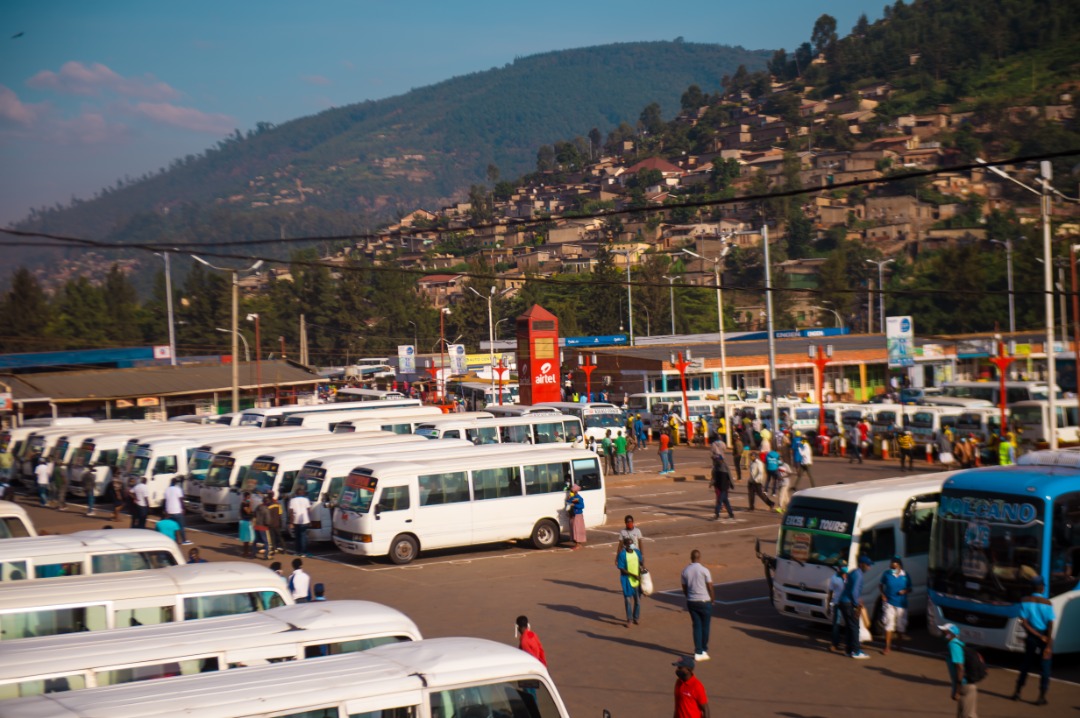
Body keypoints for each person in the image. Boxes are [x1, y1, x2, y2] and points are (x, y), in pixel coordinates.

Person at [1012, 575, 1054, 706]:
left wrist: (1035, 634)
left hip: (1031, 636)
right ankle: (1041, 696)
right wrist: (1047, 643)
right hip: (1044, 635)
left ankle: (1017, 692)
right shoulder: (1047, 603)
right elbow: (1050, 624)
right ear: (1041, 587)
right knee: (1045, 667)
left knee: (1026, 664)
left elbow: (1024, 623)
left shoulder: (1024, 600)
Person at [680, 549, 714, 662]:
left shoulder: (685, 571)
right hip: (705, 601)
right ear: (699, 558)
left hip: (692, 602)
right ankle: (704, 649)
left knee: (697, 626)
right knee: (706, 626)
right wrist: (712, 599)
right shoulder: (705, 570)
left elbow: (684, 588)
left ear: (691, 558)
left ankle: (698, 650)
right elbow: (710, 587)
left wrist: (688, 597)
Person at [939, 622, 977, 718]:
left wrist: (957, 691)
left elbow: (960, 668)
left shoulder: (953, 645)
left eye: (944, 631)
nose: (942, 633)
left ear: (950, 634)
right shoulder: (957, 644)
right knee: (961, 715)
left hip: (965, 686)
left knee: (968, 715)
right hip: (966, 685)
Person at [838, 554, 872, 659]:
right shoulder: (859, 575)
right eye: (868, 565)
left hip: (843, 601)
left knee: (849, 627)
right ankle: (856, 651)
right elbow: (854, 591)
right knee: (854, 627)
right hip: (849, 603)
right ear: (862, 564)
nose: (869, 567)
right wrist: (857, 604)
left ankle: (848, 650)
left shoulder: (853, 572)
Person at [880, 556, 912, 654]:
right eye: (891, 562)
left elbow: (910, 588)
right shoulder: (887, 573)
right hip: (889, 603)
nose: (891, 564)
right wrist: (883, 594)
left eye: (893, 563)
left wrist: (904, 591)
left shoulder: (905, 575)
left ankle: (899, 645)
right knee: (889, 624)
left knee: (900, 625)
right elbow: (881, 585)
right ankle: (887, 647)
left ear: (898, 564)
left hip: (901, 604)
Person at [617, 537, 643, 626]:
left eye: (632, 543)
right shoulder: (622, 555)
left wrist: (642, 570)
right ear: (625, 545)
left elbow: (641, 563)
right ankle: (629, 619)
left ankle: (636, 617)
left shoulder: (637, 552)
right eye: (629, 544)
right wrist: (633, 575)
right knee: (628, 601)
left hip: (637, 580)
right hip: (627, 580)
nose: (631, 545)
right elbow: (621, 568)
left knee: (638, 601)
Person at [710, 439, 735, 521]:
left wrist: (732, 484)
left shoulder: (724, 467)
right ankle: (731, 514)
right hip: (719, 486)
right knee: (726, 501)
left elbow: (730, 476)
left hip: (724, 487)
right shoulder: (716, 468)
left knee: (719, 501)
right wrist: (711, 483)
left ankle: (716, 514)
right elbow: (714, 477)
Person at [827, 564, 848, 653]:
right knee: (836, 623)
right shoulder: (834, 578)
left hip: (847, 603)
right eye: (842, 572)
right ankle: (835, 644)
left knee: (849, 624)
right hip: (837, 603)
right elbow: (830, 592)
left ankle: (848, 644)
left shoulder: (849, 577)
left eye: (845, 572)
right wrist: (828, 605)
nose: (844, 574)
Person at [163, 478, 190, 545]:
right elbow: (181, 500)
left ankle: (174, 540)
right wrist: (184, 508)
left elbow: (165, 501)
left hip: (169, 511)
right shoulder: (178, 489)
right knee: (181, 526)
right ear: (176, 483)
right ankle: (184, 540)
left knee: (172, 527)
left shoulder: (167, 490)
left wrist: (165, 510)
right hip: (177, 511)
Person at [289, 488, 312, 557]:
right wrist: (310, 520)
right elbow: (308, 510)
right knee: (303, 536)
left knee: (297, 537)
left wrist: (291, 522)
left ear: (296, 494)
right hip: (305, 520)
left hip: (296, 520)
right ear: (303, 493)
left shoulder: (292, 500)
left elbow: (291, 512)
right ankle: (303, 552)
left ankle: (297, 552)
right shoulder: (306, 500)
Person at [565, 484, 586, 550]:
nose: (571, 492)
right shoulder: (573, 497)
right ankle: (576, 543)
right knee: (573, 529)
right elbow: (569, 502)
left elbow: (582, 506)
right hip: (573, 514)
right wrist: (568, 499)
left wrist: (574, 505)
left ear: (575, 491)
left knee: (577, 529)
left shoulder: (579, 498)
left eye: (572, 491)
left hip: (577, 515)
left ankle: (578, 544)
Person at [265, 491, 285, 556]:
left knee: (272, 537)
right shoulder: (278, 504)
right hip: (277, 523)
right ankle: (284, 549)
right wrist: (280, 523)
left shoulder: (268, 505)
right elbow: (280, 514)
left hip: (270, 524)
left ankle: (273, 549)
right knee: (279, 537)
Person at [238, 491, 255, 558]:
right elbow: (248, 511)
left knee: (248, 539)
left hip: (246, 521)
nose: (250, 498)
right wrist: (250, 504)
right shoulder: (244, 504)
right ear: (247, 497)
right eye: (249, 497)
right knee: (246, 539)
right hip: (245, 522)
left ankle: (246, 552)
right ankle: (245, 553)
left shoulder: (245, 503)